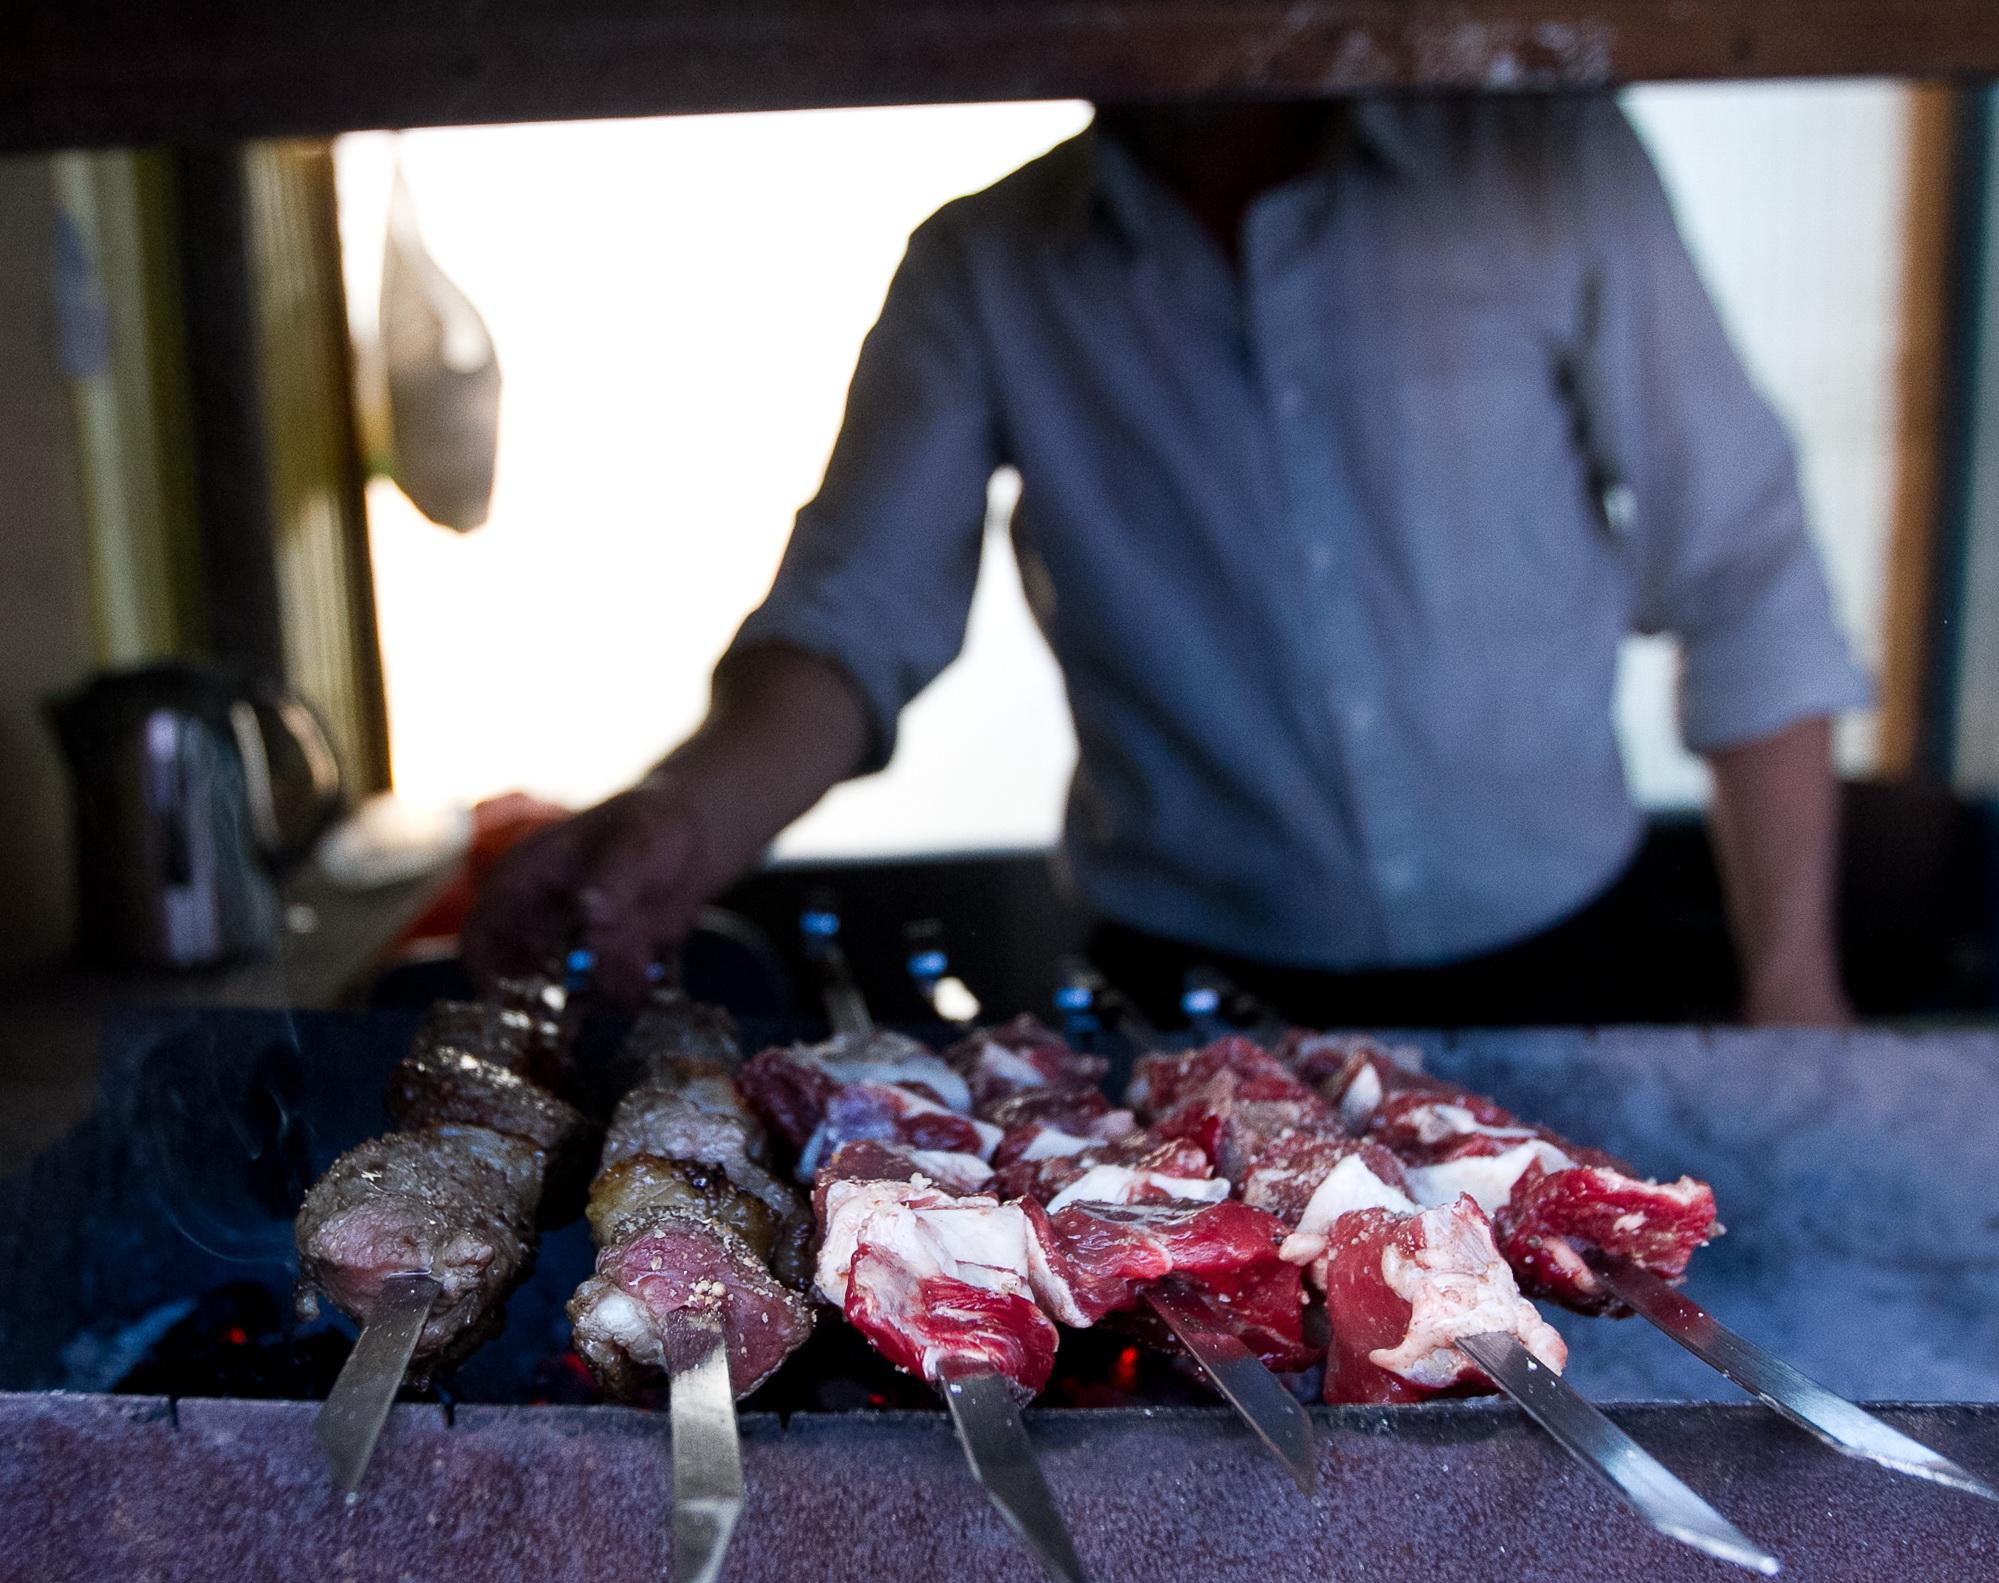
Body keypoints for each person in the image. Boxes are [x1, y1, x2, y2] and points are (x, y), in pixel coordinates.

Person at [464, 97, 1868, 1025]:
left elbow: (1744, 561)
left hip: (1570, 966)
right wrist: (677, 827)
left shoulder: (1545, 159)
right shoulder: (983, 267)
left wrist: (1796, 976)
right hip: (1190, 1005)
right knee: (1211, 1462)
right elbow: (847, 624)